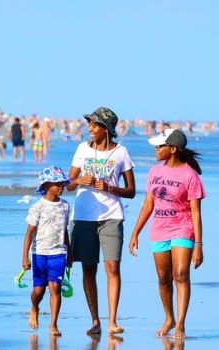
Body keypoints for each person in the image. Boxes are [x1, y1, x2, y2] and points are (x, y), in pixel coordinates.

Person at [129, 128, 205, 339]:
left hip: (183, 228)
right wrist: (135, 233)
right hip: (159, 229)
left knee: (180, 274)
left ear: (172, 149)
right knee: (163, 278)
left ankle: (180, 323)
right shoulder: (155, 172)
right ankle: (169, 318)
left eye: (160, 146)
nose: (156, 149)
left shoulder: (190, 176)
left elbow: (196, 213)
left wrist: (198, 245)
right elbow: (147, 206)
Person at [66, 107, 135, 335]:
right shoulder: (82, 149)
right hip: (84, 216)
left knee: (112, 266)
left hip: (111, 216)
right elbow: (68, 183)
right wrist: (79, 180)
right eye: (90, 124)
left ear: (106, 129)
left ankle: (113, 320)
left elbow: (131, 191)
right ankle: (95, 321)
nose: (90, 128)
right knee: (88, 268)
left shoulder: (121, 153)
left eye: (94, 125)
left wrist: (109, 187)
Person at [21, 165, 73, 337]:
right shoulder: (38, 207)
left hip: (58, 253)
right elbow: (29, 233)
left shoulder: (65, 206)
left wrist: (70, 252)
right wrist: (25, 257)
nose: (61, 187)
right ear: (45, 186)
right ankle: (34, 307)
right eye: (57, 183)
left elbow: (64, 230)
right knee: (38, 291)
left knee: (55, 288)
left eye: (62, 183)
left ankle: (53, 324)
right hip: (40, 254)